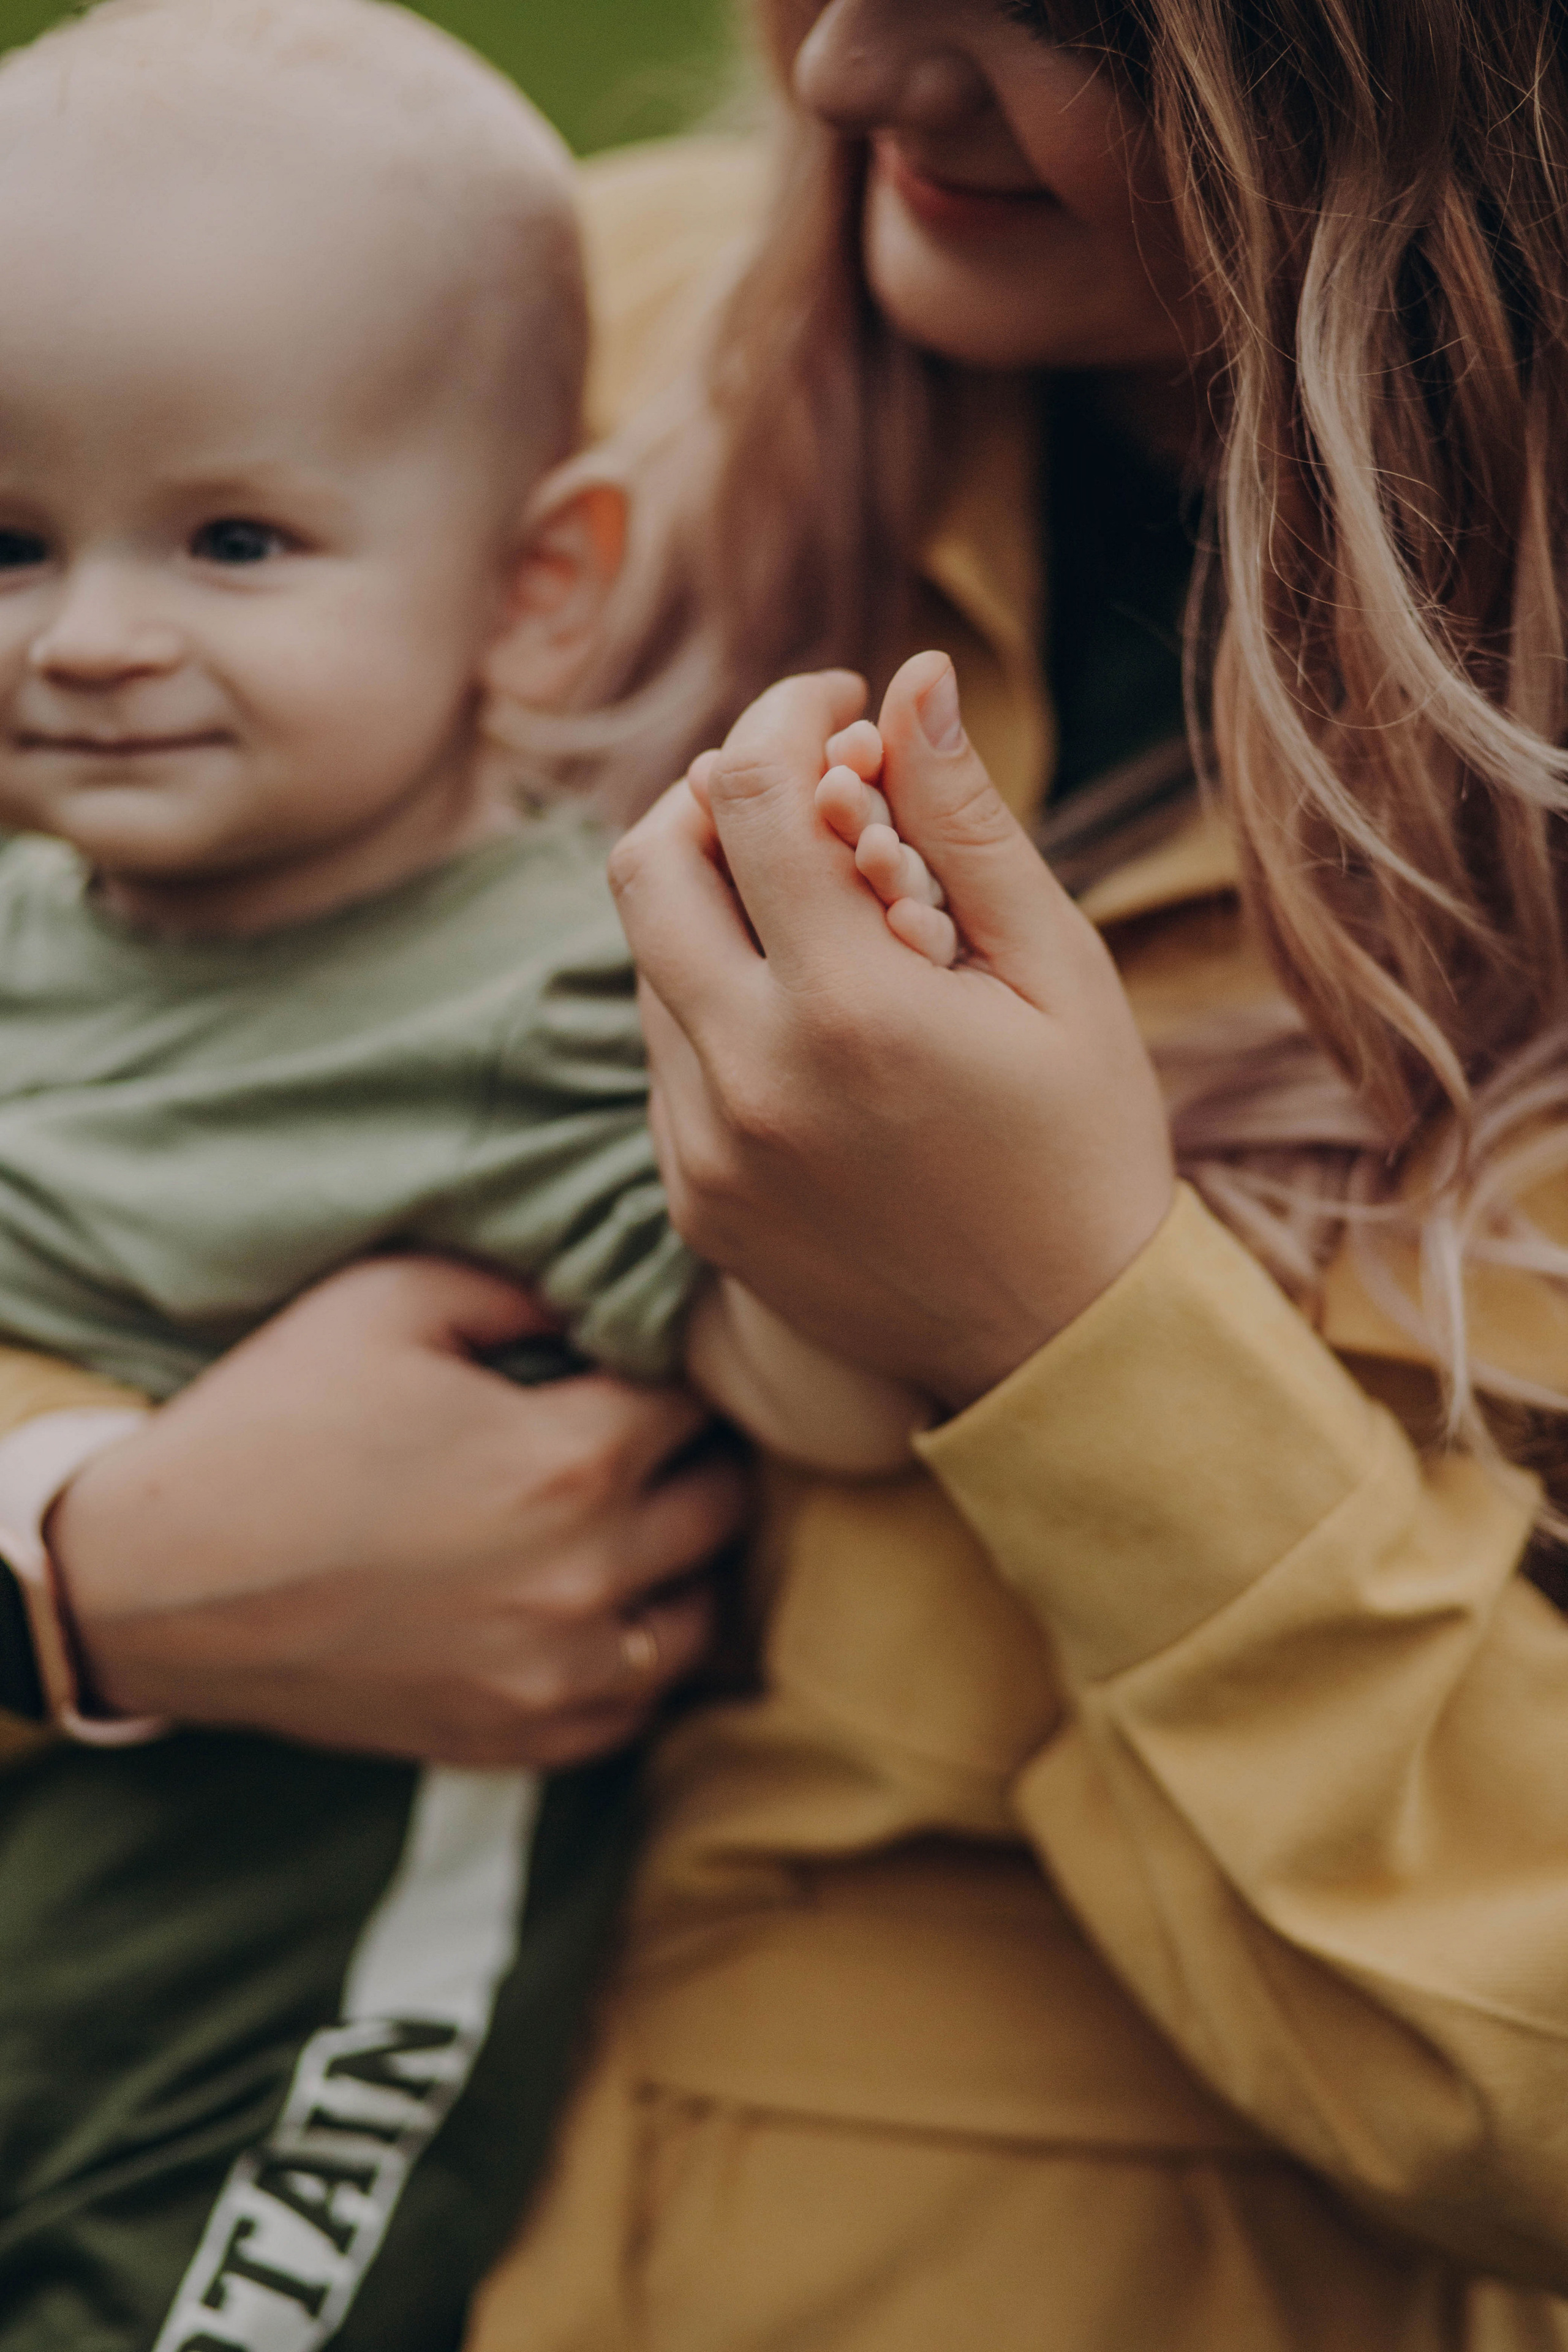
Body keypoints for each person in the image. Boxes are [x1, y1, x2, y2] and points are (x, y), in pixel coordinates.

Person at [3, 0, 1568, 2348]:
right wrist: (70, 1560)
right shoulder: (493, 316)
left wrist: (1061, 1323)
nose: (846, 71)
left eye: (1066, 22)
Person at [0, 2, 926, 2340]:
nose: (93, 640)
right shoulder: (27, 925)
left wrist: (850, 1100)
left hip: (271, 1995)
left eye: (233, 540)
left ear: (535, 585)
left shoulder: (557, 984)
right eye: (9, 541)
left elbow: (803, 1400)